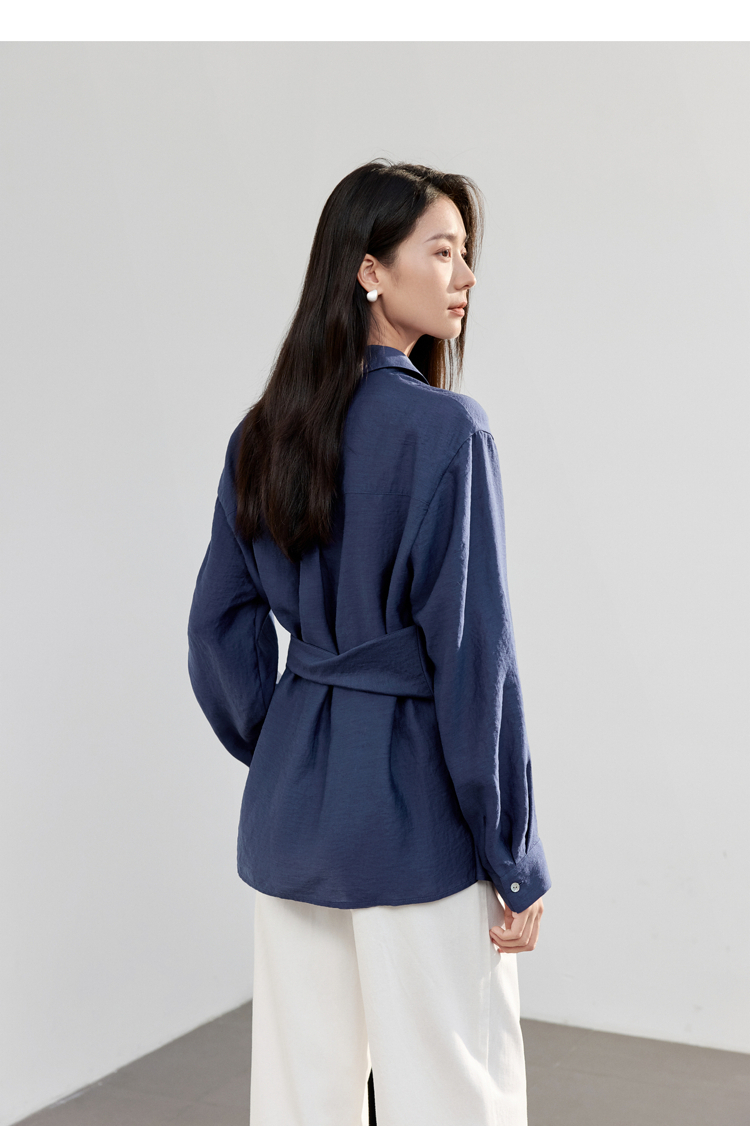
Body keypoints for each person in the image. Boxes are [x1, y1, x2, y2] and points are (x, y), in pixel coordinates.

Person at [187, 159, 551, 1126]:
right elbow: (476, 663)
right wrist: (513, 852)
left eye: (466, 255)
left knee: (302, 1099)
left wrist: (291, 743)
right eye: (443, 252)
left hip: (292, 820)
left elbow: (216, 629)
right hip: (415, 821)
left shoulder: (262, 434)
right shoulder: (449, 432)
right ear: (370, 271)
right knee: (456, 1093)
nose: (464, 276)